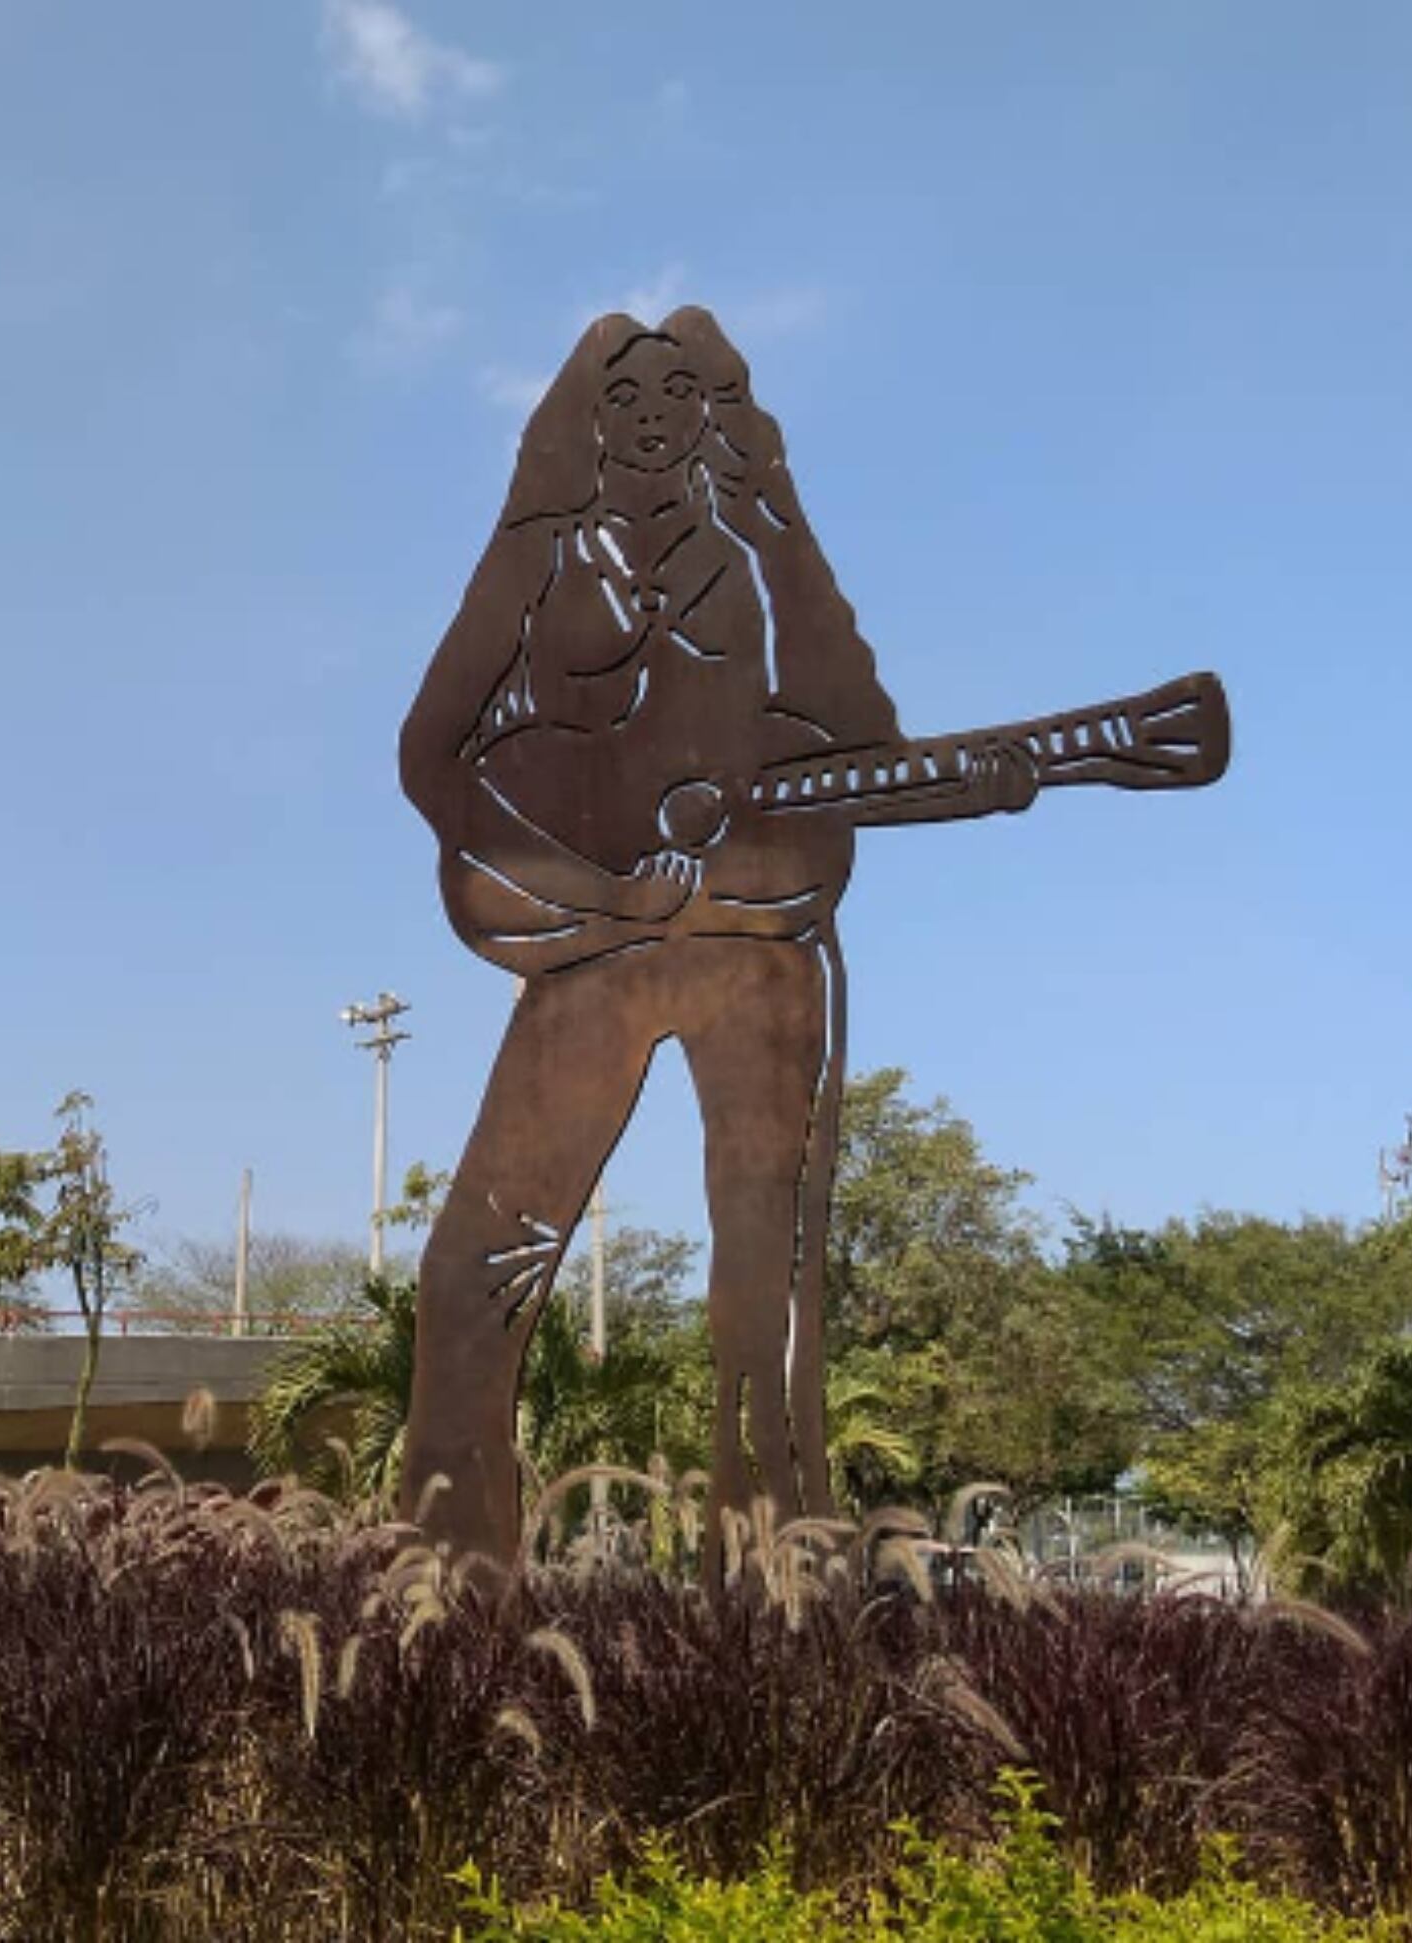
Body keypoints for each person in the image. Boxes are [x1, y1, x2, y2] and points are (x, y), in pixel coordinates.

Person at [396, 306, 899, 1565]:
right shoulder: (540, 556)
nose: (660, 410)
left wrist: (782, 522)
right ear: (588, 417)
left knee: (764, 1293)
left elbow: (864, 740)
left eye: (690, 390)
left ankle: (775, 1605)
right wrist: (595, 889)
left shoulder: (744, 554)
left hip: (750, 943)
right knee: (477, 1273)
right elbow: (430, 752)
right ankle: (446, 1590)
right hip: (591, 943)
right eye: (630, 391)